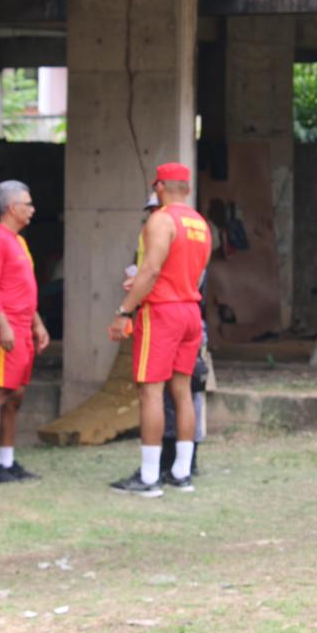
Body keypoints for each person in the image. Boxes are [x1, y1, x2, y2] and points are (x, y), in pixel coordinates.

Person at [107, 162, 211, 498]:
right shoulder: (200, 224)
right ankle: (181, 472)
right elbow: (189, 272)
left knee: (150, 391)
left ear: (159, 187)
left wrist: (125, 310)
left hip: (162, 312)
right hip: (191, 311)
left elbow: (151, 271)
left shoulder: (160, 219)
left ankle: (150, 477)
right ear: (188, 189)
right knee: (182, 391)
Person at [0, 180, 50, 483]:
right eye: (27, 204)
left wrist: (37, 322)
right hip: (3, 328)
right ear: (11, 208)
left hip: (23, 325)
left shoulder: (18, 241)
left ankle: (7, 460)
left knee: (16, 394)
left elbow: (23, 287)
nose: (32, 210)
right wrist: (2, 323)